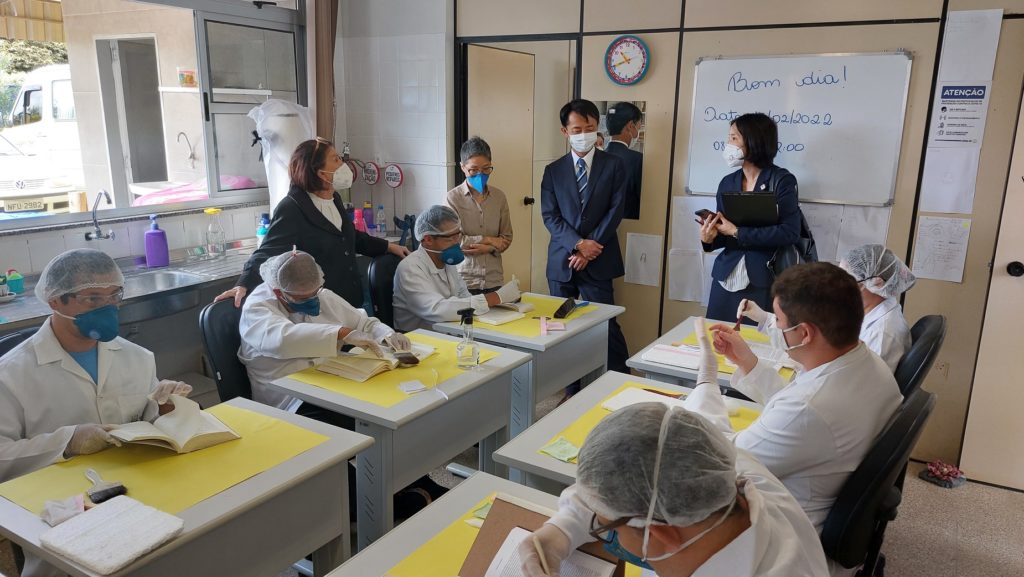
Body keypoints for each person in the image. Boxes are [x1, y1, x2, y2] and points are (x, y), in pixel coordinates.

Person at [0, 249, 191, 577]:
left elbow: (147, 425)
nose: (107, 307)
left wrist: (166, 407)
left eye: (113, 295)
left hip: (142, 496)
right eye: (91, 298)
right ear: (55, 301)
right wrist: (68, 441)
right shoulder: (11, 375)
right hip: (62, 516)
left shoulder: (138, 357)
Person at [682, 263, 902, 533]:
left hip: (787, 531)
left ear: (805, 333)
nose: (775, 326)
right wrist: (749, 363)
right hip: (817, 495)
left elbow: (718, 463)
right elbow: (801, 402)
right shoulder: (866, 363)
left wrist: (706, 380)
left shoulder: (808, 408)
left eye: (778, 321)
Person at [520, 403, 829, 576]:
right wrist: (560, 530)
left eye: (603, 525)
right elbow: (645, 469)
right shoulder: (732, 474)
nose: (599, 525)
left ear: (661, 535)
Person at [216, 137, 409, 308]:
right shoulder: (293, 207)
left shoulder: (334, 198)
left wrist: (387, 246)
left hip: (349, 302)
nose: (342, 163)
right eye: (335, 159)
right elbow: (267, 251)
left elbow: (349, 236)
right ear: (321, 173)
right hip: (319, 308)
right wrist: (243, 283)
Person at [238, 249, 410, 414]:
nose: (313, 301)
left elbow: (364, 323)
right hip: (291, 401)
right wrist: (341, 333)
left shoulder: (322, 296)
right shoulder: (256, 308)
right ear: (279, 292)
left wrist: (387, 334)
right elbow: (281, 340)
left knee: (392, 400)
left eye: (314, 293)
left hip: (332, 385)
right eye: (303, 298)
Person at [542, 99, 629, 373]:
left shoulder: (615, 165)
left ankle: (619, 378)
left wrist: (591, 247)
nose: (583, 135)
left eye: (589, 128)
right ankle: (569, 387)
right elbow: (550, 216)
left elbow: (616, 211)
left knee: (606, 324)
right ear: (564, 132)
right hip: (562, 261)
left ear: (597, 127)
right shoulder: (553, 171)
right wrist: (578, 245)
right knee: (561, 328)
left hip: (599, 259)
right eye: (577, 129)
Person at [740, 245, 916, 372]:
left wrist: (807, 364)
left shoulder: (883, 333)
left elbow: (855, 388)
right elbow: (816, 334)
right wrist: (766, 319)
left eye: (847, 281)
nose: (839, 288)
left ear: (876, 283)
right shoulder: (864, 309)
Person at [699, 112, 801, 324]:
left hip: (764, 278)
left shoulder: (781, 180)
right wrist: (709, 239)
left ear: (754, 141)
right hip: (726, 276)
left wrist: (737, 232)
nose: (728, 143)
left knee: (756, 344)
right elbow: (724, 234)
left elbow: (790, 232)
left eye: (734, 138)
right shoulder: (727, 182)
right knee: (718, 337)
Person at [393, 205, 521, 331]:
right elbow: (436, 310)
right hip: (418, 340)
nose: (457, 242)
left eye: (458, 235)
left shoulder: (446, 262)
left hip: (448, 331)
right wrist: (495, 297)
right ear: (428, 239)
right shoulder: (410, 268)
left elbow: (464, 296)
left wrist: (500, 303)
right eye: (451, 238)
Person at [445, 136, 513, 294]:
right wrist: (489, 240)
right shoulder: (452, 198)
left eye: (486, 169)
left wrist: (487, 248)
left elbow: (506, 238)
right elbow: (454, 240)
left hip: (494, 279)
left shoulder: (499, 197)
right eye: (473, 170)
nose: (480, 174)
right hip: (464, 279)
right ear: (462, 167)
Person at [604, 102, 644, 219]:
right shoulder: (637, 160)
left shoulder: (596, 157)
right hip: (631, 225)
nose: (637, 132)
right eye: (638, 127)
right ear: (630, 126)